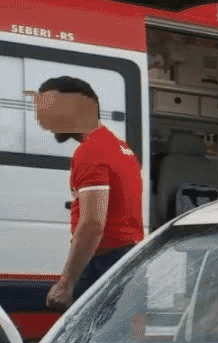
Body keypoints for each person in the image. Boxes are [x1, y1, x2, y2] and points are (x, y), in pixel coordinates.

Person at [33, 76, 144, 309]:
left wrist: (66, 283)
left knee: (82, 341)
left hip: (104, 264)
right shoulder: (118, 146)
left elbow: (93, 224)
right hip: (126, 261)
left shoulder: (92, 151)